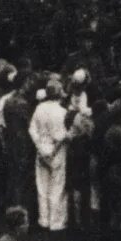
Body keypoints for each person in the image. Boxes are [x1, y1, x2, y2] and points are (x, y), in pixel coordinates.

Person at [28, 82, 70, 232]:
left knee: (42, 186)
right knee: (57, 186)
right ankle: (56, 222)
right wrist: (52, 152)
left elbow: (32, 130)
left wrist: (40, 148)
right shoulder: (62, 112)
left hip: (41, 148)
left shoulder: (39, 108)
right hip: (56, 151)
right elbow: (61, 137)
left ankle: (43, 219)